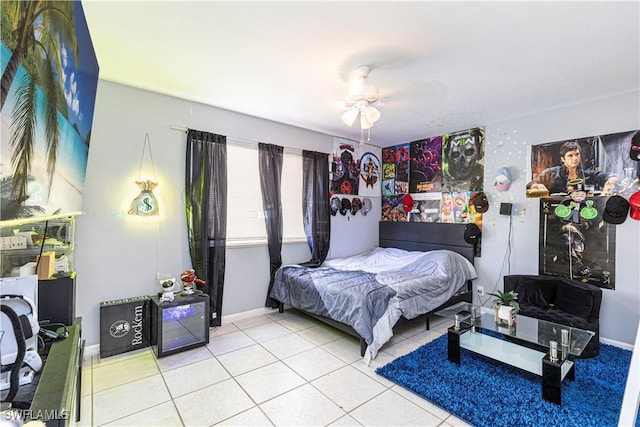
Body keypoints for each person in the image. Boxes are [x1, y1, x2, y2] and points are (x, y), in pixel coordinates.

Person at [527, 140, 617, 196]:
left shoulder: (588, 174)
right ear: (563, 159)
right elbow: (530, 184)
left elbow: (611, 177)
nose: (575, 158)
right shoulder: (551, 173)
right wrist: (539, 186)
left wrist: (607, 189)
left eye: (577, 154)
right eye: (570, 155)